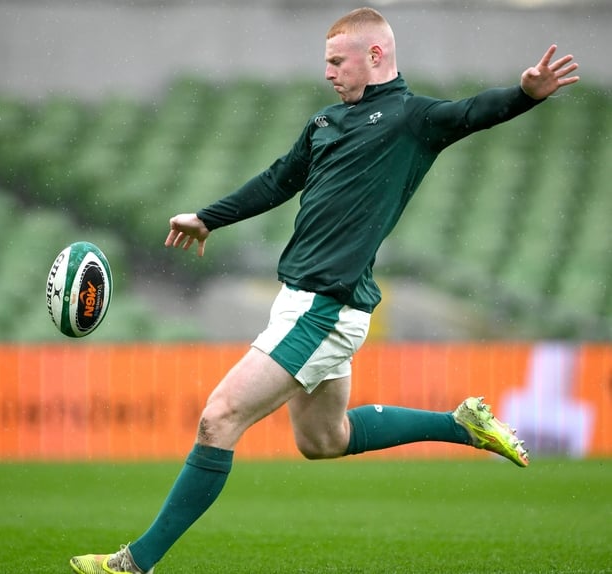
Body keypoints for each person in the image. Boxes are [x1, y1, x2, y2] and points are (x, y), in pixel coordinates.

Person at [70, 7, 579, 574]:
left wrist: (525, 94)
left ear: (376, 56)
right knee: (323, 439)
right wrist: (208, 218)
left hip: (323, 310)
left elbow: (471, 112)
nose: (330, 72)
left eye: (338, 61)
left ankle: (134, 562)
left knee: (219, 418)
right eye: (327, 62)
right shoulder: (324, 124)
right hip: (300, 302)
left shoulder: (411, 118)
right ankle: (459, 423)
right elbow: (278, 180)